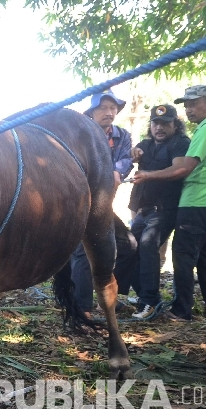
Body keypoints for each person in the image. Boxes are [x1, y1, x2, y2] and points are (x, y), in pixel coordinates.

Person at [133, 84, 206, 321]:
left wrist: (148, 175)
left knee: (183, 256)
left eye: (194, 103)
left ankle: (181, 311)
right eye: (186, 104)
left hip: (197, 200)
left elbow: (184, 168)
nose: (189, 109)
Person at [116, 105, 191, 319]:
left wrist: (148, 175)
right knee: (128, 247)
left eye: (165, 123)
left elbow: (178, 170)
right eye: (156, 123)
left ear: (175, 125)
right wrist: (132, 153)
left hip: (165, 210)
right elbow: (130, 157)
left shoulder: (180, 143)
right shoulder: (146, 144)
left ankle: (150, 302)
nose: (159, 127)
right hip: (144, 211)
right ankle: (135, 295)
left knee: (148, 247)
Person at [71, 89, 137, 316]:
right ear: (92, 112)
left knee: (128, 246)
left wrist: (116, 171)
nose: (109, 112)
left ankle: (109, 297)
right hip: (81, 202)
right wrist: (108, 174)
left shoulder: (122, 135)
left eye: (112, 108)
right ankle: (82, 308)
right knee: (83, 251)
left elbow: (126, 159)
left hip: (103, 205)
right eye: (103, 108)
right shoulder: (80, 133)